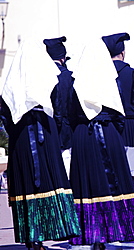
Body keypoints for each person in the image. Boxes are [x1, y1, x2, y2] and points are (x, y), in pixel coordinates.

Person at [0, 37, 81, 250]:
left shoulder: (11, 82)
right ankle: (50, 230)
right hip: (46, 134)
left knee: (27, 185)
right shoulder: (50, 79)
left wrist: (16, 132)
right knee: (49, 182)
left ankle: (32, 237)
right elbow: (59, 108)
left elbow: (5, 115)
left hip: (22, 139)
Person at [67, 37, 134, 250]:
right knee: (115, 180)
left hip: (83, 135)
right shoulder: (110, 79)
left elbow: (70, 113)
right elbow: (119, 112)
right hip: (108, 133)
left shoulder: (76, 82)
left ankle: (92, 233)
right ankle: (116, 229)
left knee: (87, 183)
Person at [102, 32, 134, 196]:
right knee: (130, 170)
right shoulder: (132, 72)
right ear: (122, 53)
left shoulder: (100, 72)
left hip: (108, 125)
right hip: (130, 127)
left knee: (110, 169)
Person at [45, 36, 74, 178]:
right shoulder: (68, 76)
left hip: (46, 127)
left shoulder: (41, 74)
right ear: (62, 58)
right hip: (66, 128)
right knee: (66, 163)